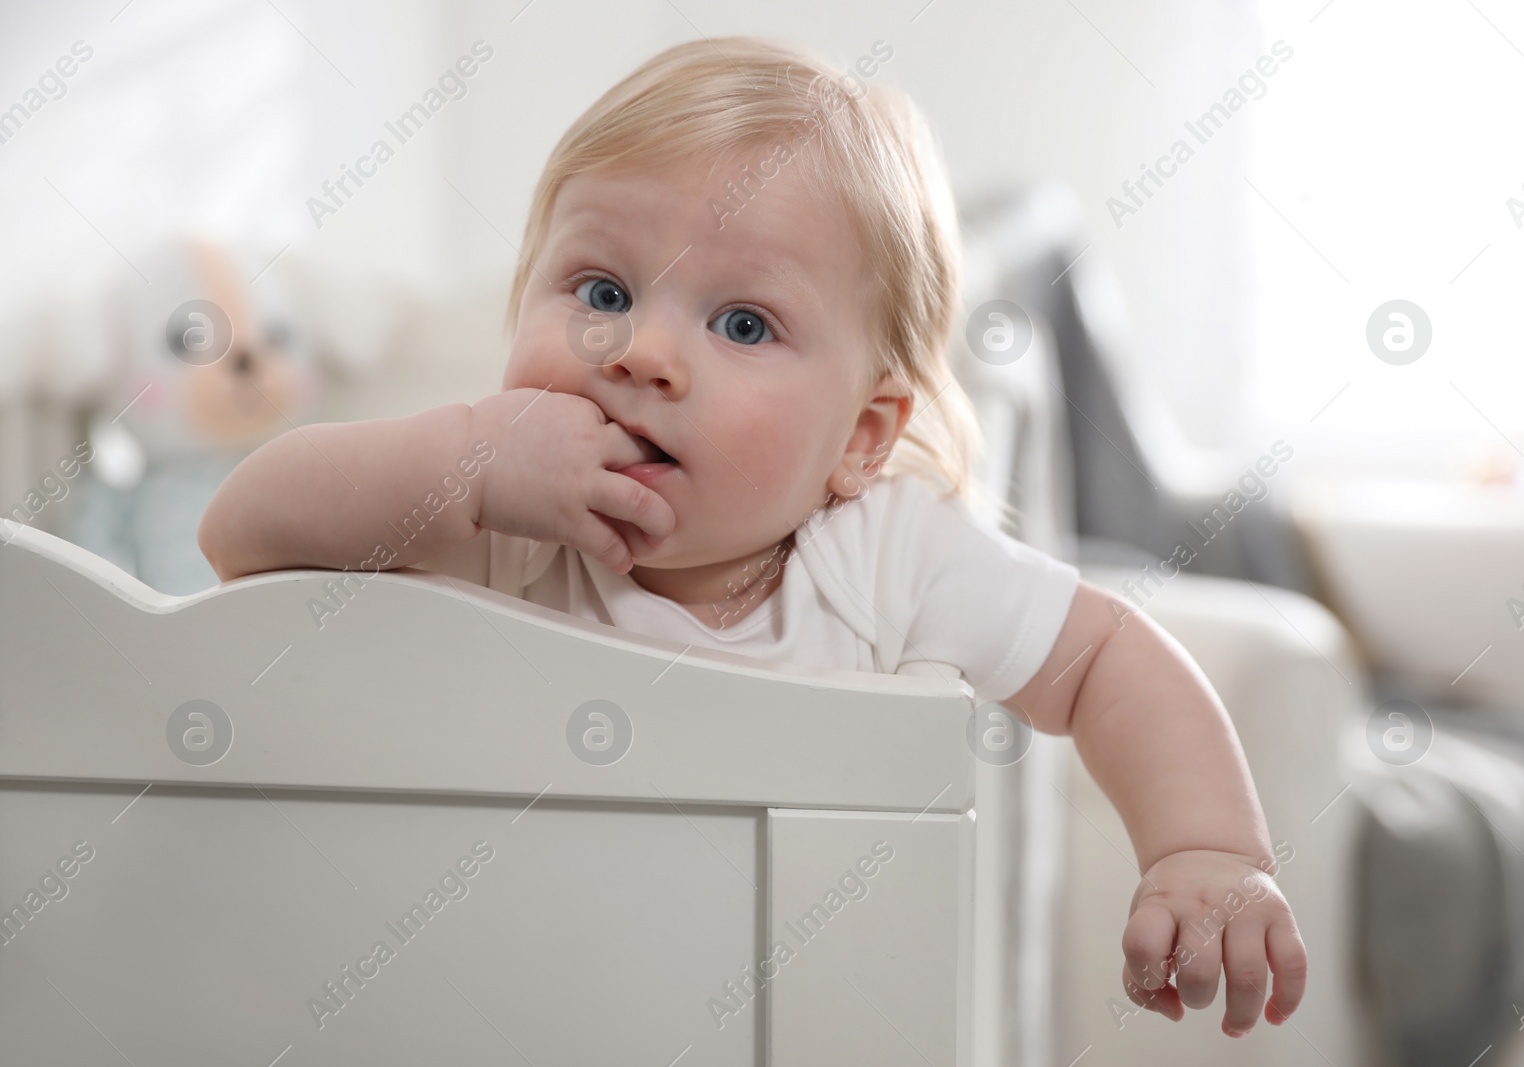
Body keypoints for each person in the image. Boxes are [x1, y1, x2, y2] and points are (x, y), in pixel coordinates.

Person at [198, 35, 1306, 1037]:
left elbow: (1110, 656)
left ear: (861, 439)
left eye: (742, 323)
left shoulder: (885, 552)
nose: (640, 351)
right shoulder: (497, 530)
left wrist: (1205, 849)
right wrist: (464, 459)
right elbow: (240, 529)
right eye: (600, 288)